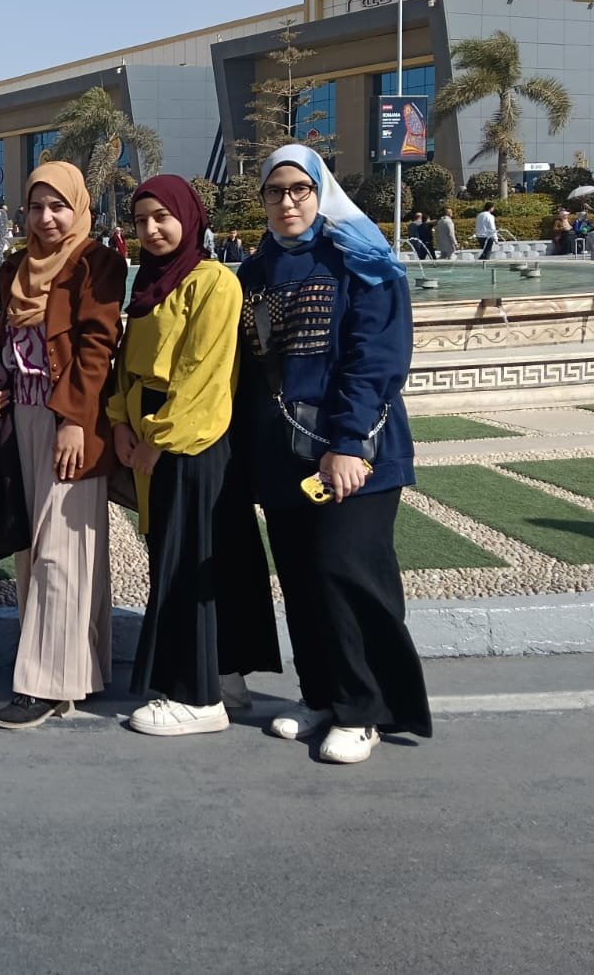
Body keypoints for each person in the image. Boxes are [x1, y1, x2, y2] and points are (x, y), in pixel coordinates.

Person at [235, 143, 431, 764]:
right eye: (275, 191)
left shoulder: (362, 259)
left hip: (355, 452)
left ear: (321, 193)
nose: (287, 202)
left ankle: (363, 708)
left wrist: (348, 444)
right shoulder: (255, 271)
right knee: (300, 578)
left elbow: (377, 360)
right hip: (283, 454)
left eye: (300, 189)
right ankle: (320, 694)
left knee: (346, 569)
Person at [107, 178, 280, 737]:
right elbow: (127, 366)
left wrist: (155, 439)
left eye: (162, 216)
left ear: (189, 217)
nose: (152, 229)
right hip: (153, 437)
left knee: (189, 563)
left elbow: (202, 373)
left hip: (193, 443)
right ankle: (224, 676)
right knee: (192, 556)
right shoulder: (150, 282)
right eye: (141, 220)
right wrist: (119, 422)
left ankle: (195, 696)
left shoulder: (212, 282)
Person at [0, 161, 125, 729]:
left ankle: (43, 684)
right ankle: (72, 668)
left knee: (63, 550)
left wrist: (73, 420)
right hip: (21, 418)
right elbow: (5, 337)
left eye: (58, 206)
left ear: (78, 208)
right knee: (32, 544)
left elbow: (97, 347)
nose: (46, 218)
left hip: (70, 421)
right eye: (37, 207)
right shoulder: (15, 268)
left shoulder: (95, 263)